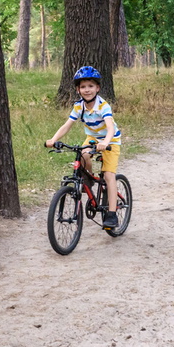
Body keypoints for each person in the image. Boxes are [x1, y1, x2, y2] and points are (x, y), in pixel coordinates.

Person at [46, 66, 122, 229]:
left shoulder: (103, 106)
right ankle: (88, 178)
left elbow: (110, 128)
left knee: (109, 175)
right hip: (93, 138)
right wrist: (53, 139)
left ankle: (112, 213)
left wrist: (106, 143)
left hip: (111, 141)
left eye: (90, 86)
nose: (87, 90)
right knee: (82, 155)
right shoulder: (79, 106)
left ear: (98, 88)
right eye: (83, 87)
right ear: (78, 90)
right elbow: (67, 125)